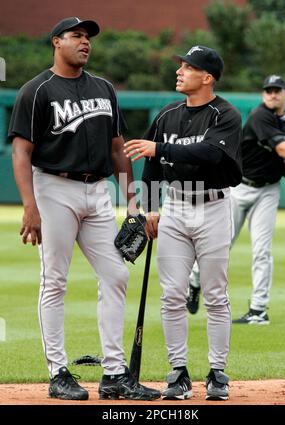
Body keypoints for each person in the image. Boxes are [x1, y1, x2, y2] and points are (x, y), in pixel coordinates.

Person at [9, 17, 160, 401]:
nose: (85, 42)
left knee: (115, 275)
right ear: (56, 42)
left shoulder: (104, 88)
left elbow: (117, 148)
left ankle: (114, 374)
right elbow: (21, 152)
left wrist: (133, 203)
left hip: (98, 192)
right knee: (55, 280)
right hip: (53, 188)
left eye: (88, 37)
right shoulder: (36, 90)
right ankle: (58, 373)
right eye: (77, 35)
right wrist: (30, 205)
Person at [124, 45, 242, 400]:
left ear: (207, 77)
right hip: (174, 209)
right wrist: (149, 208)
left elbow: (210, 153)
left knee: (216, 295)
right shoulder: (167, 114)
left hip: (214, 207)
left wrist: (159, 149)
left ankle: (218, 373)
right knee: (172, 295)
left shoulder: (226, 114)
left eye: (188, 67)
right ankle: (178, 372)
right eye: (180, 66)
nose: (179, 71)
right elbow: (151, 168)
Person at [231, 75, 285, 324]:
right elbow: (283, 150)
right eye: (268, 90)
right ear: (263, 95)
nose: (272, 94)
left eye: (277, 90)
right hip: (240, 187)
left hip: (268, 191)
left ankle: (258, 310)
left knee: (262, 250)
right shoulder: (259, 116)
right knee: (219, 247)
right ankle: (195, 282)